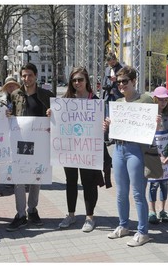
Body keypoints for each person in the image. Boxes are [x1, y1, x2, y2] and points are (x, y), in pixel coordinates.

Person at [103, 65, 157, 247]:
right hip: (118, 148)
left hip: (136, 150)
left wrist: (155, 124)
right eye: (118, 82)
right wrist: (107, 125)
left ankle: (143, 232)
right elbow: (112, 129)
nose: (121, 85)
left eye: (124, 81)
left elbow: (153, 129)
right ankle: (123, 225)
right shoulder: (117, 104)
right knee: (121, 192)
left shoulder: (145, 100)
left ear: (134, 81)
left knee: (137, 192)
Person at [54, 66, 106, 232]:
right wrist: (51, 114)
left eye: (80, 80)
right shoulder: (66, 100)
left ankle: (90, 217)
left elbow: (102, 124)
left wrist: (104, 126)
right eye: (74, 80)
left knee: (88, 183)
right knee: (70, 182)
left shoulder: (95, 101)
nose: (77, 83)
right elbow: (57, 121)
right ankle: (71, 215)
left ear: (86, 81)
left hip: (88, 149)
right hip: (69, 148)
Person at [6, 62, 55, 231]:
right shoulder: (15, 95)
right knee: (18, 178)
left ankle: (32, 210)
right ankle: (20, 215)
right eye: (24, 75)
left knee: (37, 177)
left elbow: (57, 116)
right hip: (20, 141)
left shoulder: (47, 95)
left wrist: (52, 113)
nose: (27, 79)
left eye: (30, 75)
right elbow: (10, 115)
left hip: (40, 141)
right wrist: (7, 114)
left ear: (36, 76)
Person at [148, 86, 168, 224]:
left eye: (165, 100)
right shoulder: (148, 115)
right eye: (160, 99)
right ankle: (151, 211)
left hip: (166, 155)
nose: (163, 103)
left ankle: (162, 210)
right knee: (153, 184)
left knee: (164, 183)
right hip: (153, 155)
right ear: (155, 99)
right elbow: (147, 137)